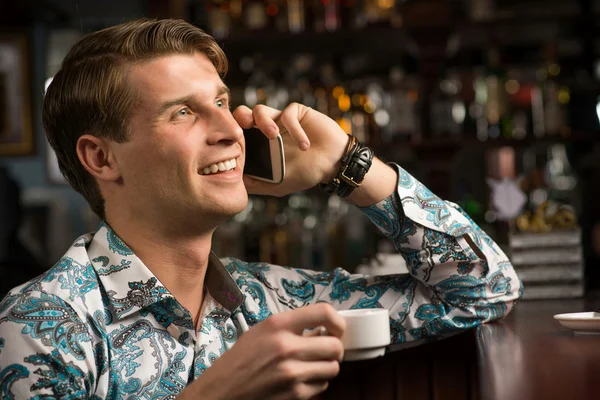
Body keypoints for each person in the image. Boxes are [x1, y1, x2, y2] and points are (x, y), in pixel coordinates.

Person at [0, 18, 522, 400]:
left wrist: (346, 163)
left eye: (223, 103)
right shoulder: (37, 326)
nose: (230, 130)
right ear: (101, 157)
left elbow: (482, 290)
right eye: (183, 112)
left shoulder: (270, 301)